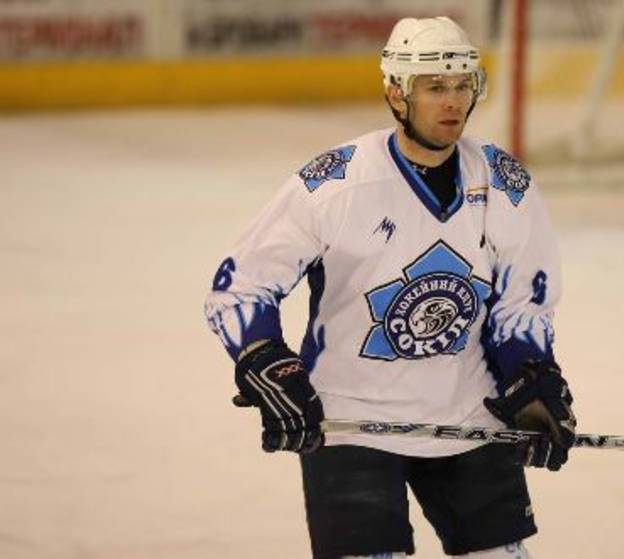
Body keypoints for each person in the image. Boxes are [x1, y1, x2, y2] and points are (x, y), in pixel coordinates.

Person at [204, 16, 576, 559]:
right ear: (397, 93)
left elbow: (522, 304)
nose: (453, 102)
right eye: (434, 87)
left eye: (462, 85)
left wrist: (529, 375)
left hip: (468, 416)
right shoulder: (337, 183)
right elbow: (241, 287)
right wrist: (266, 361)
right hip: (352, 421)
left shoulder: (503, 183)